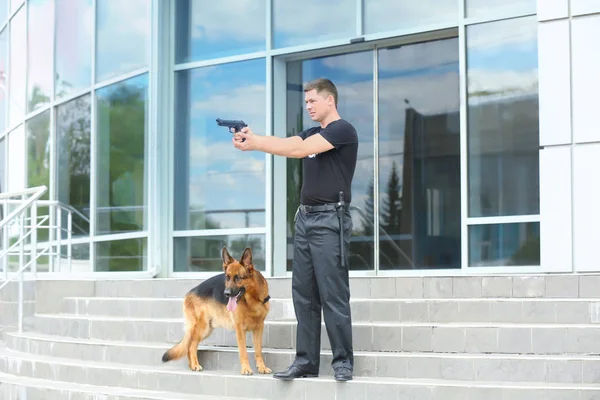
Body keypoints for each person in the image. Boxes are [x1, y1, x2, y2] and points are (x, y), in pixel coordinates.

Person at [231, 78, 358, 382]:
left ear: (330, 101)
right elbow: (291, 144)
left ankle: (342, 362)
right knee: (304, 296)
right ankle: (306, 362)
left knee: (333, 295)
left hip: (330, 221)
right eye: (306, 102)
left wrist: (258, 142)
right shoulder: (312, 132)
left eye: (313, 101)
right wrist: (255, 139)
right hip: (305, 220)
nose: (309, 106)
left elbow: (301, 151)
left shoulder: (342, 131)